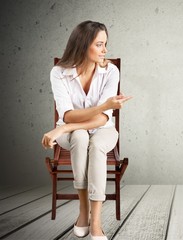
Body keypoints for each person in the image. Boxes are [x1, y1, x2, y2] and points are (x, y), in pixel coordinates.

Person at [41, 20, 132, 240]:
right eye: (99, 44)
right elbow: (68, 114)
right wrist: (103, 106)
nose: (105, 50)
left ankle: (96, 222)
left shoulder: (110, 71)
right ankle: (84, 212)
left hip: (103, 129)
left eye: (105, 44)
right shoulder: (59, 73)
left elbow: (102, 119)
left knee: (96, 144)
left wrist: (65, 128)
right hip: (71, 134)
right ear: (83, 45)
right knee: (80, 138)